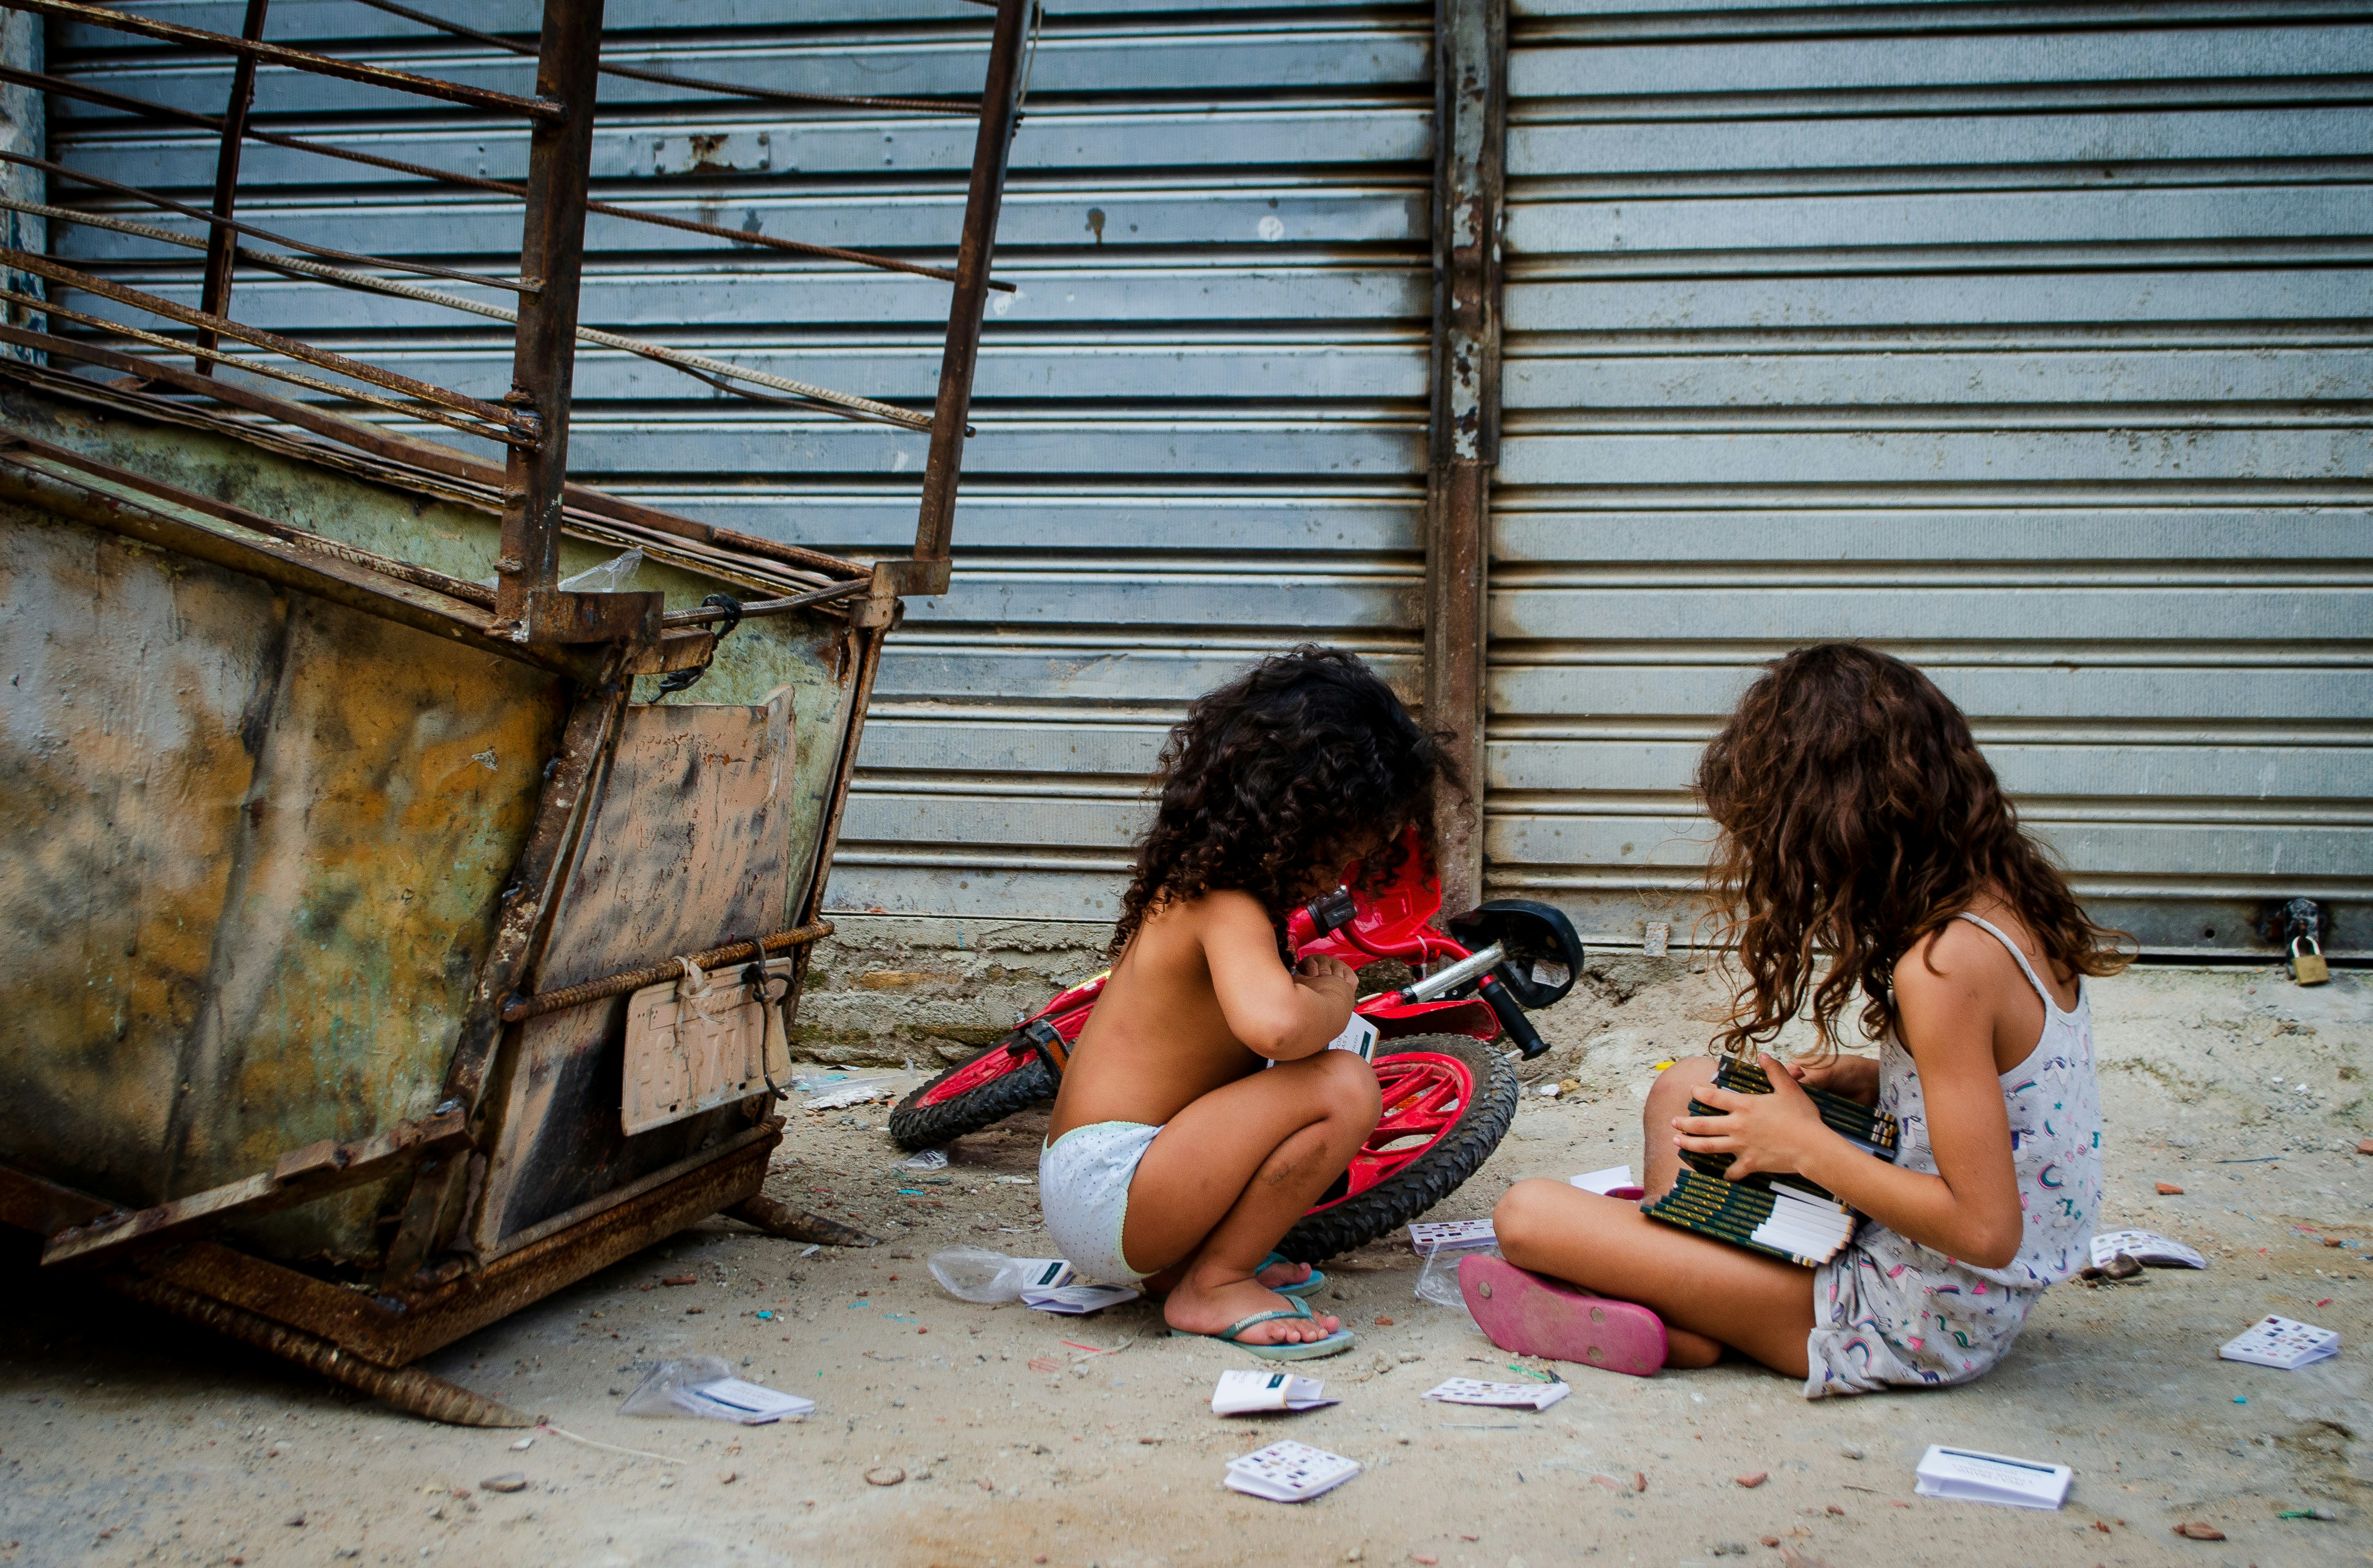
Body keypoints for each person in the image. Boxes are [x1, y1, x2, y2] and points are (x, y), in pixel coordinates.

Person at [1475, 642, 2131, 1394]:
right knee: (1686, 1087)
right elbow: (2006, 1096)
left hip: (1907, 1317)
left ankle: (1687, 1304)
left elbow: (1985, 1232)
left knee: (1527, 1216)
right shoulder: (2003, 900)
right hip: (1937, 1276)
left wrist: (1806, 1146)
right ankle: (1688, 1298)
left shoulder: (1943, 969)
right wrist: (1876, 1080)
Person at [1039, 646, 1456, 1359]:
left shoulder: (1202, 884)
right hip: (1112, 1187)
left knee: (1321, 1070)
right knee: (1341, 1085)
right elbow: (1277, 1029)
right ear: (1292, 817)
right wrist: (1330, 996)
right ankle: (1215, 1284)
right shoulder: (1222, 900)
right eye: (1341, 852)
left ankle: (1193, 1265)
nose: (1345, 872)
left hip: (1115, 1186)